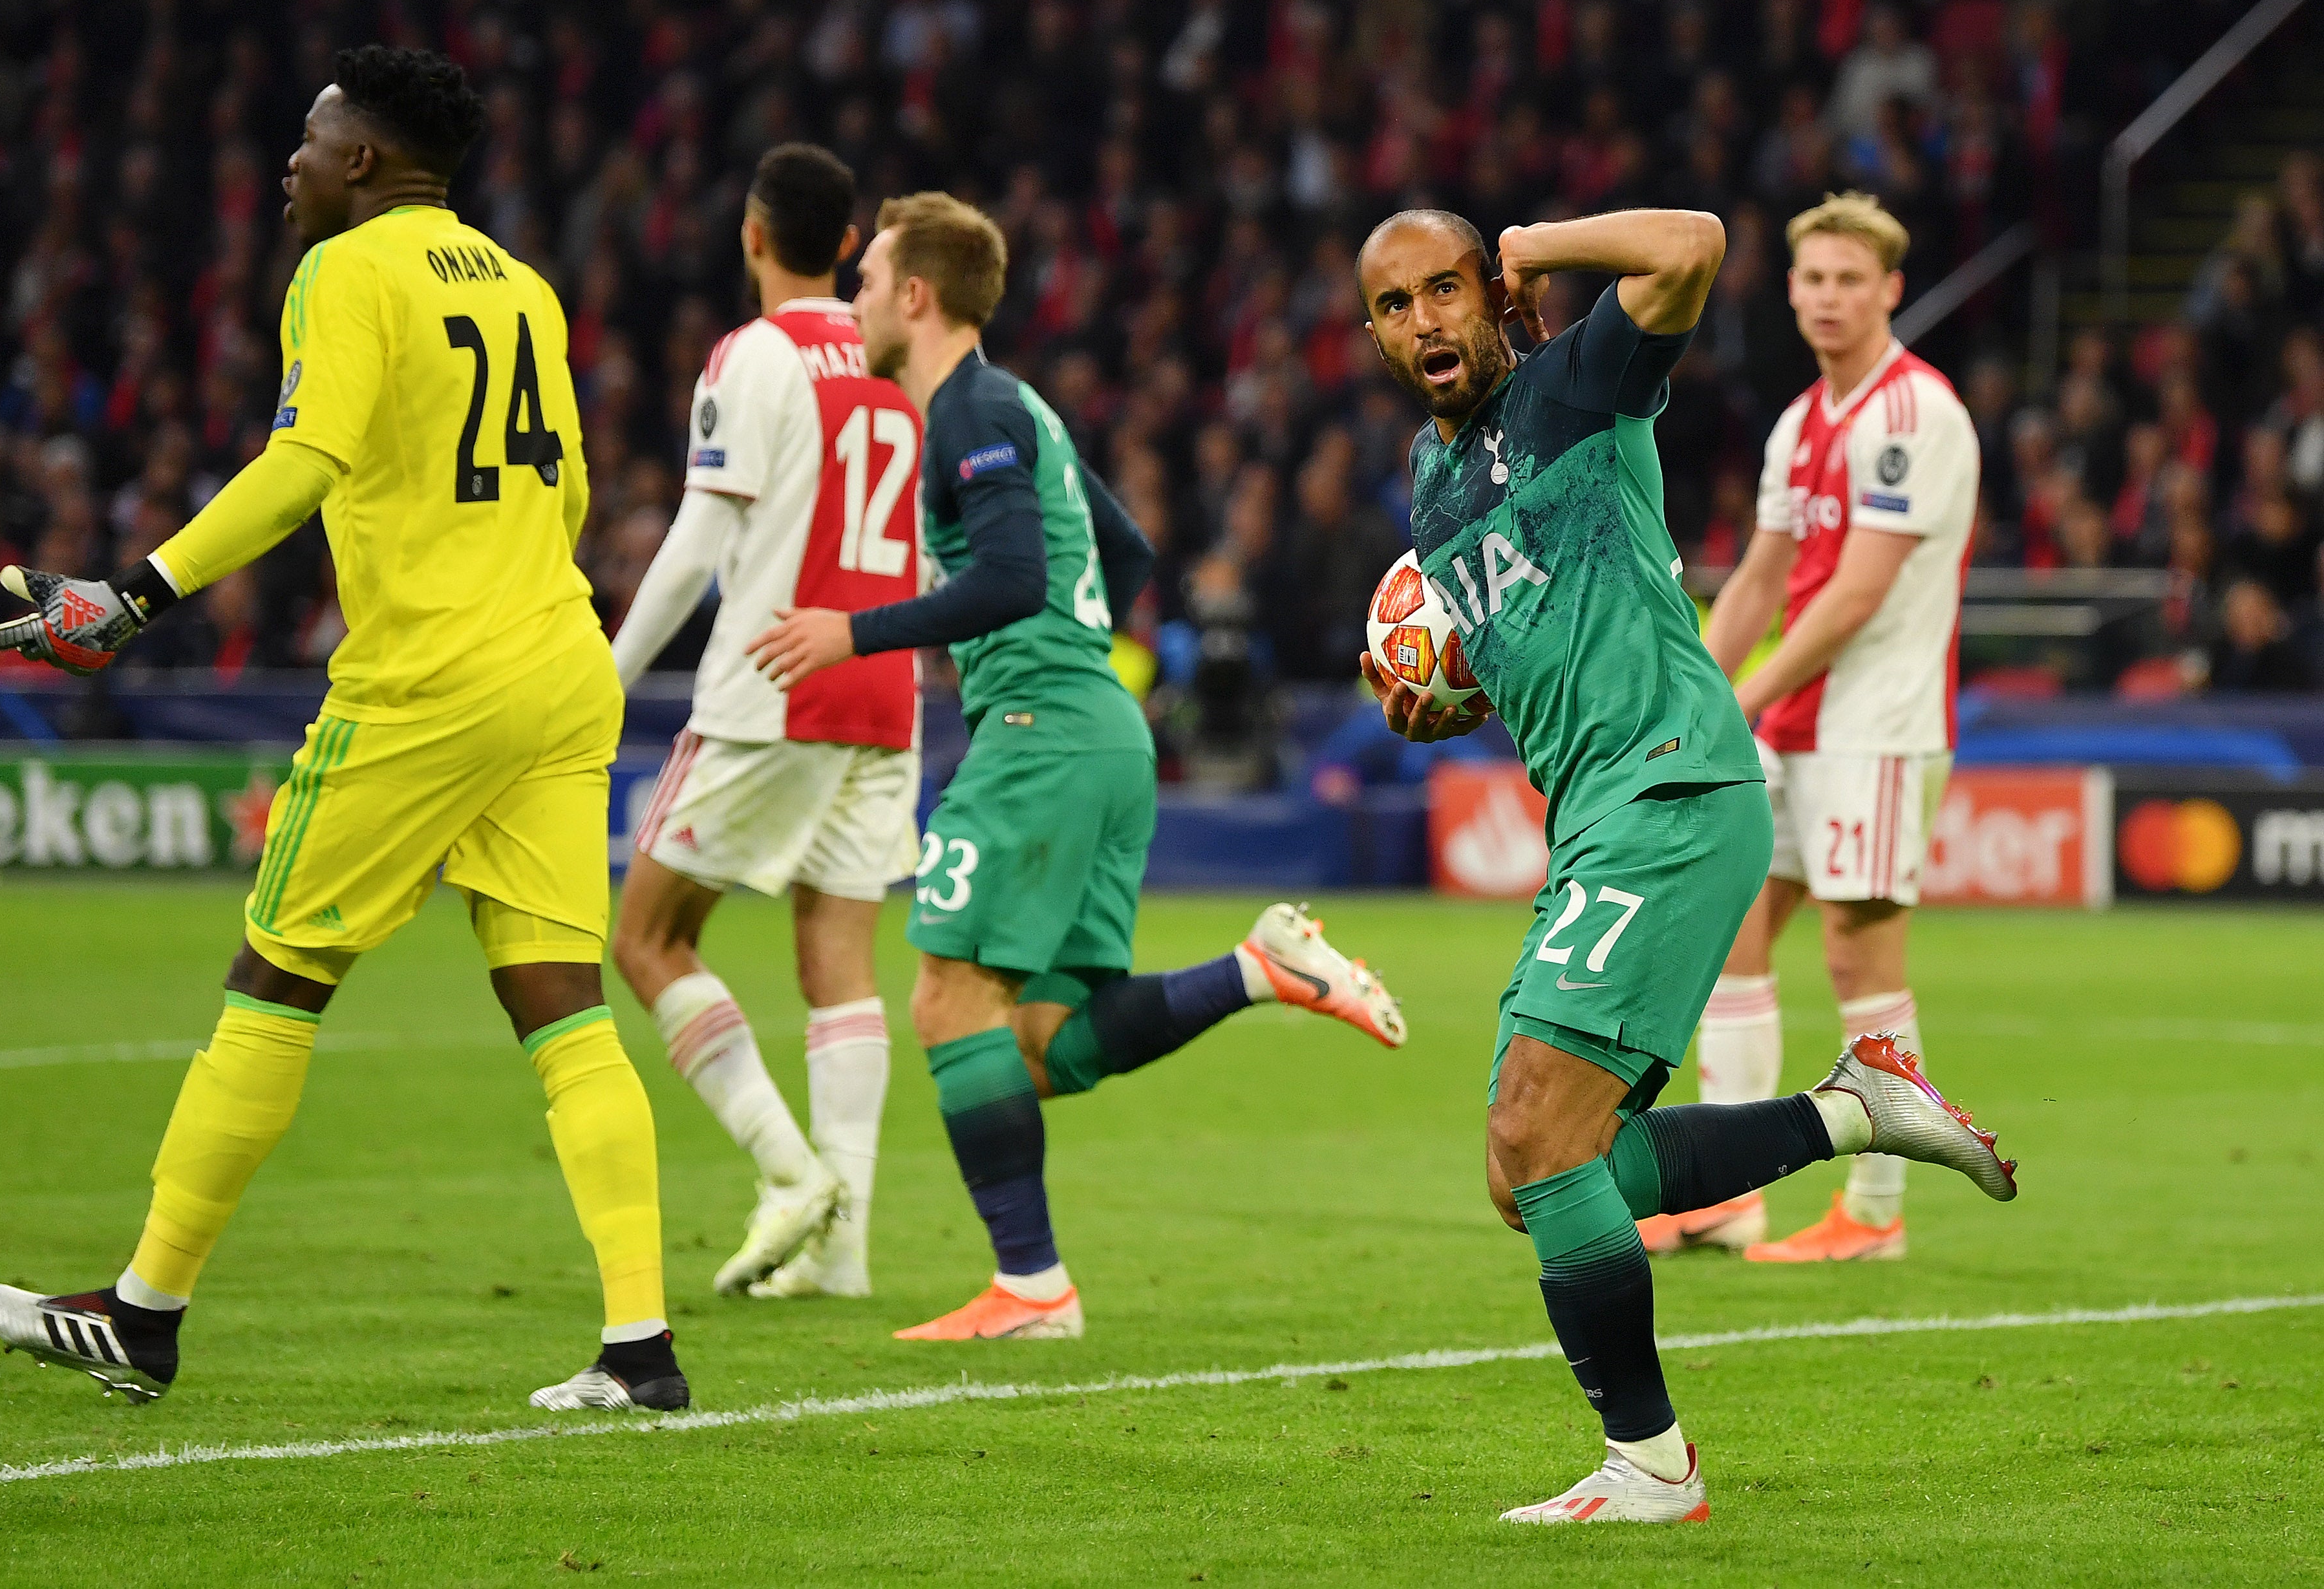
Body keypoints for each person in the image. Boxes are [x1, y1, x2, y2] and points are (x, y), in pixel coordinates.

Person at [0, 47, 689, 1415]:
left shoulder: (347, 272)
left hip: (428, 683)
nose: (290, 165)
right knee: (562, 1002)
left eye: (310, 140)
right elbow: (574, 492)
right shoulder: (522, 284)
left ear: (364, 159)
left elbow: (304, 462)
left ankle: (144, 1311)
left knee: (277, 975)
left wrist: (133, 596)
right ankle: (639, 1348)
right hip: (560, 663)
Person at [1354, 206, 2016, 1524]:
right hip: (1598, 815)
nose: (1425, 319)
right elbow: (1521, 632)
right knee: (1531, 1173)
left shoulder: (1575, 384)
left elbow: (1695, 243)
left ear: (1491, 294)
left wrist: (1538, 242)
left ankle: (1652, 1464)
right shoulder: (1431, 479)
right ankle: (1852, 1110)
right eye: (1394, 303)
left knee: (1536, 1134)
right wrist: (1448, 695)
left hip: (1668, 785)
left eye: (1446, 288)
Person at [751, 191, 1408, 1342]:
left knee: (948, 997)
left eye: (869, 282)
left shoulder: (969, 411)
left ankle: (1032, 1285)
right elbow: (1127, 551)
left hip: (1040, 735)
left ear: (918, 296)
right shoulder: (1019, 408)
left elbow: (1012, 578)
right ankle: (1258, 969)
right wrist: (1072, 651)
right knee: (1044, 1040)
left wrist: (852, 630)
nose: (854, 301)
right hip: (1099, 729)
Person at [1644, 191, 1983, 1263]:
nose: (1831, 297)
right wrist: (1698, 690)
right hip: (1794, 720)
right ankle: (1728, 1194)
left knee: (1858, 952)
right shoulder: (1802, 422)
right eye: (1816, 279)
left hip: (1875, 725)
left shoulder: (1916, 414)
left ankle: (1876, 1212)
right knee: (1737, 928)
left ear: (1890, 290)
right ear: (1791, 291)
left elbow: (1857, 596)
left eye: (1852, 280)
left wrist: (1740, 698)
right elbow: (1762, 578)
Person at [606, 144, 919, 1301]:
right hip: (884, 688)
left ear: (751, 235)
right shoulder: (897, 352)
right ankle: (844, 1253)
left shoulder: (756, 353)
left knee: (647, 938)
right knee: (839, 963)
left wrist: (608, 672)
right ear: (848, 244)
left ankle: (790, 1173)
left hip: (775, 681)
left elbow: (700, 535)